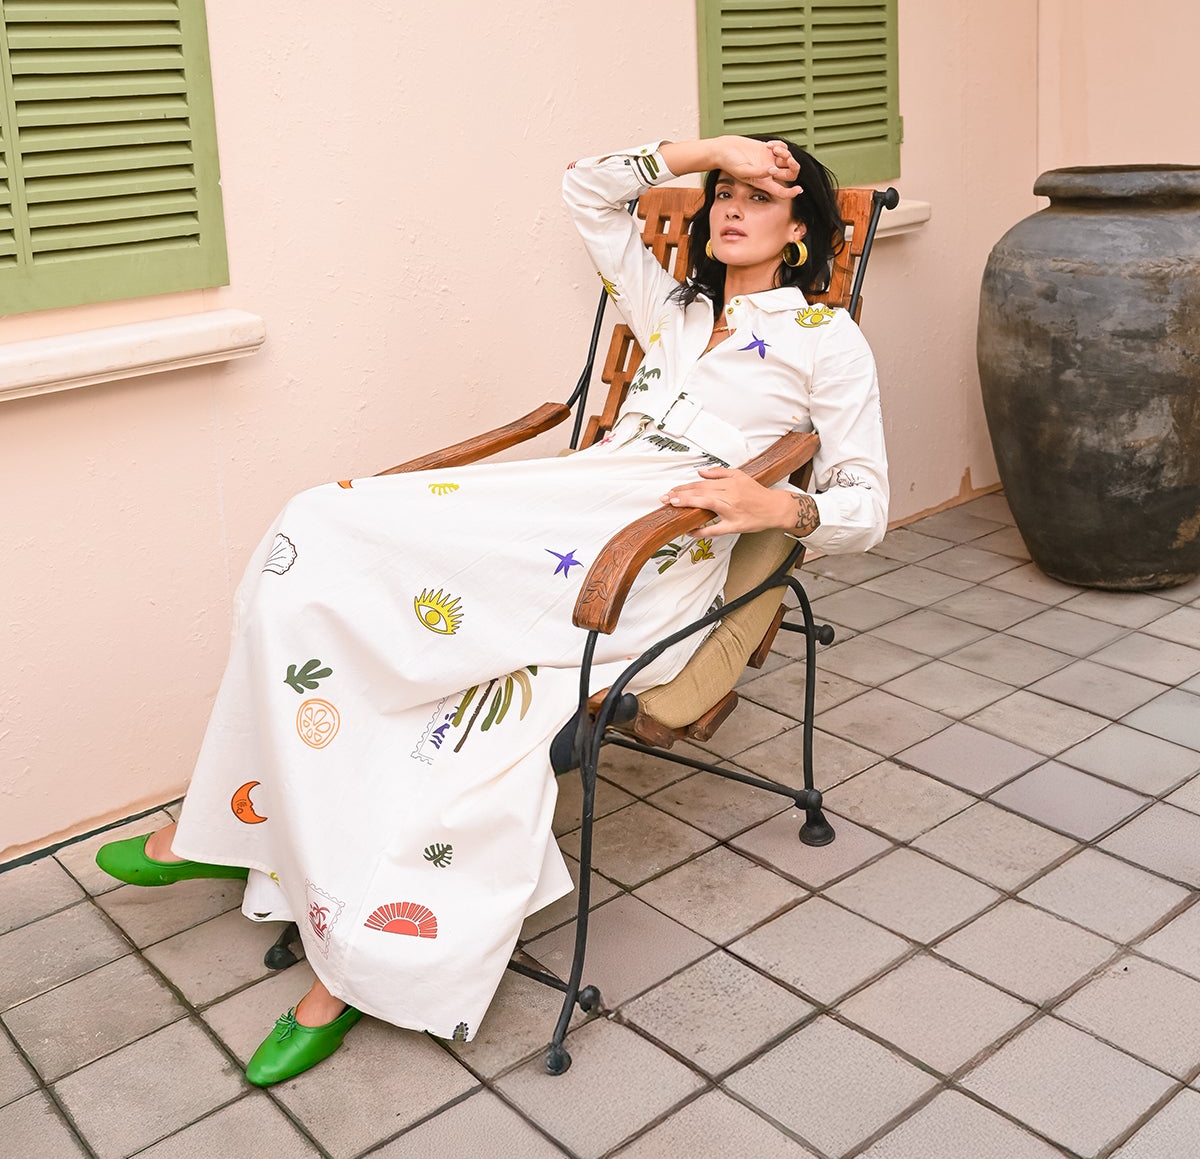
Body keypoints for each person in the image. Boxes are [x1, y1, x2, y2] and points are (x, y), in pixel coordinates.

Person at [96, 135, 888, 1084]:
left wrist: (777, 507)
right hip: (565, 506)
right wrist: (710, 146)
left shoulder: (825, 340)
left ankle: (346, 964)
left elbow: (868, 503)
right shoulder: (670, 307)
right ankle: (240, 825)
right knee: (313, 533)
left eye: (758, 197)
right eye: (722, 191)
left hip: (645, 554)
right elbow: (587, 189)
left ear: (800, 231)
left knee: (475, 715)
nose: (729, 206)